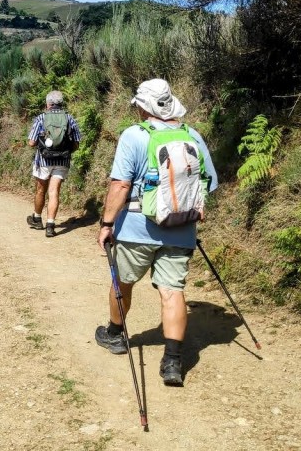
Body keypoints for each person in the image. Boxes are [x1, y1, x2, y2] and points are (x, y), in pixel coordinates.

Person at [94, 79, 218, 386]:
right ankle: (173, 362)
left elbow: (120, 185)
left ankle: (115, 334)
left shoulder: (134, 135)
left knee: (123, 281)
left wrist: (107, 224)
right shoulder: (192, 135)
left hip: (137, 227)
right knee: (172, 290)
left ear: (142, 107)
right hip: (181, 228)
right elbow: (209, 183)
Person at [26, 90, 82, 237]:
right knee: (54, 192)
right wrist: (63, 152)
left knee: (40, 190)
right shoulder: (70, 118)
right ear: (61, 103)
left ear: (48, 104)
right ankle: (50, 225)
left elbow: (31, 143)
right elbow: (76, 145)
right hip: (62, 161)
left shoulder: (41, 118)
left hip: (43, 160)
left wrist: (44, 144)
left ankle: (37, 219)